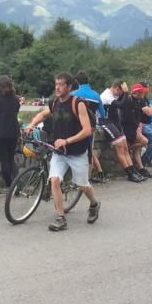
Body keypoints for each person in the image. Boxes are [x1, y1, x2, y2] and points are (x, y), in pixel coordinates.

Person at [25, 72, 100, 232]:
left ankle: (94, 203)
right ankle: (60, 218)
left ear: (69, 87)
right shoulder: (54, 102)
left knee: (82, 185)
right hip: (59, 152)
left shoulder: (77, 103)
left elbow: (87, 130)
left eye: (61, 84)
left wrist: (66, 141)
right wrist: (31, 124)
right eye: (56, 84)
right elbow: (42, 114)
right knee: (54, 181)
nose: (57, 88)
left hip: (76, 152)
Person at [100, 82, 144, 182]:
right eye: (119, 92)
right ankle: (129, 173)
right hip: (106, 122)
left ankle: (133, 171)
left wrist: (124, 93)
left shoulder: (114, 94)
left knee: (125, 148)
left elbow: (123, 104)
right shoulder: (106, 95)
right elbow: (120, 105)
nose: (119, 95)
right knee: (120, 148)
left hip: (115, 122)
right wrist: (126, 92)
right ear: (116, 88)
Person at [71, 71, 107, 183]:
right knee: (88, 152)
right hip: (91, 127)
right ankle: (88, 178)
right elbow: (102, 113)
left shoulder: (73, 94)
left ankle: (75, 179)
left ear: (76, 82)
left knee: (73, 152)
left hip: (75, 127)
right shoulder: (96, 95)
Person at [0, 75, 21, 188]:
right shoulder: (16, 99)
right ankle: (19, 182)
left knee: (4, 159)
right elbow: (16, 111)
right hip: (13, 131)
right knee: (10, 157)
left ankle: (9, 185)